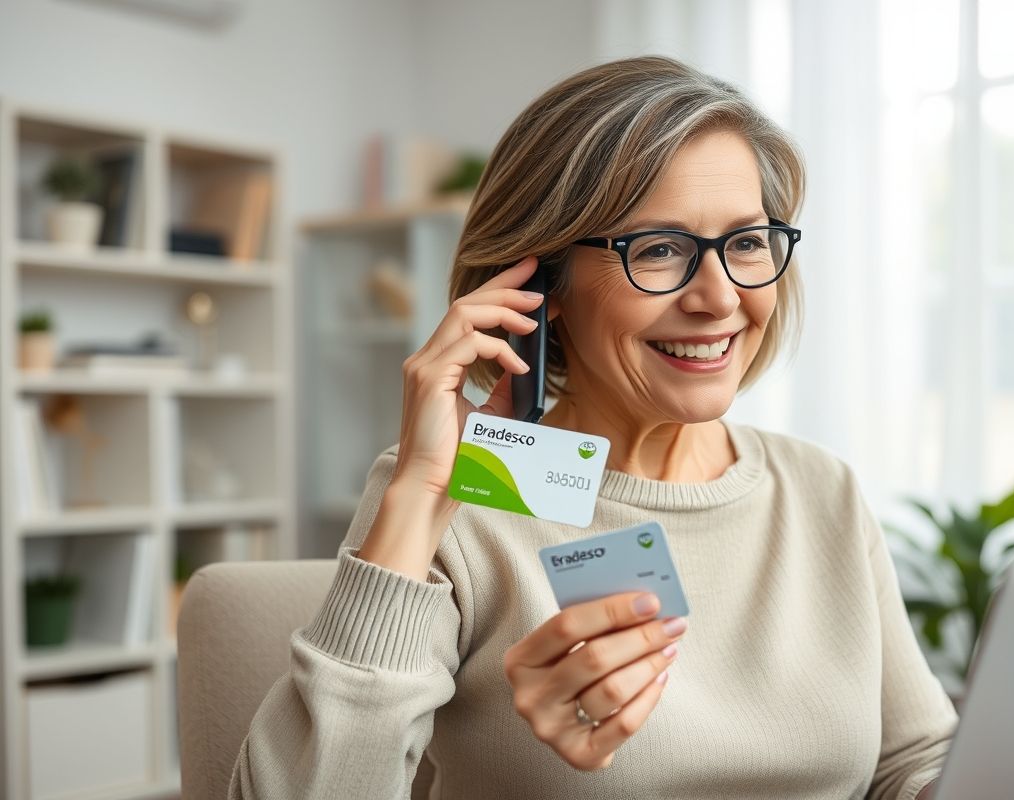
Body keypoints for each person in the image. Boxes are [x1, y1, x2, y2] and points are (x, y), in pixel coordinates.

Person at [230, 55, 956, 800]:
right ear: (543, 286)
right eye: (660, 249)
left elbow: (914, 765)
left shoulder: (819, 489)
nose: (719, 296)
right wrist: (422, 496)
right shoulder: (464, 489)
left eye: (745, 242)